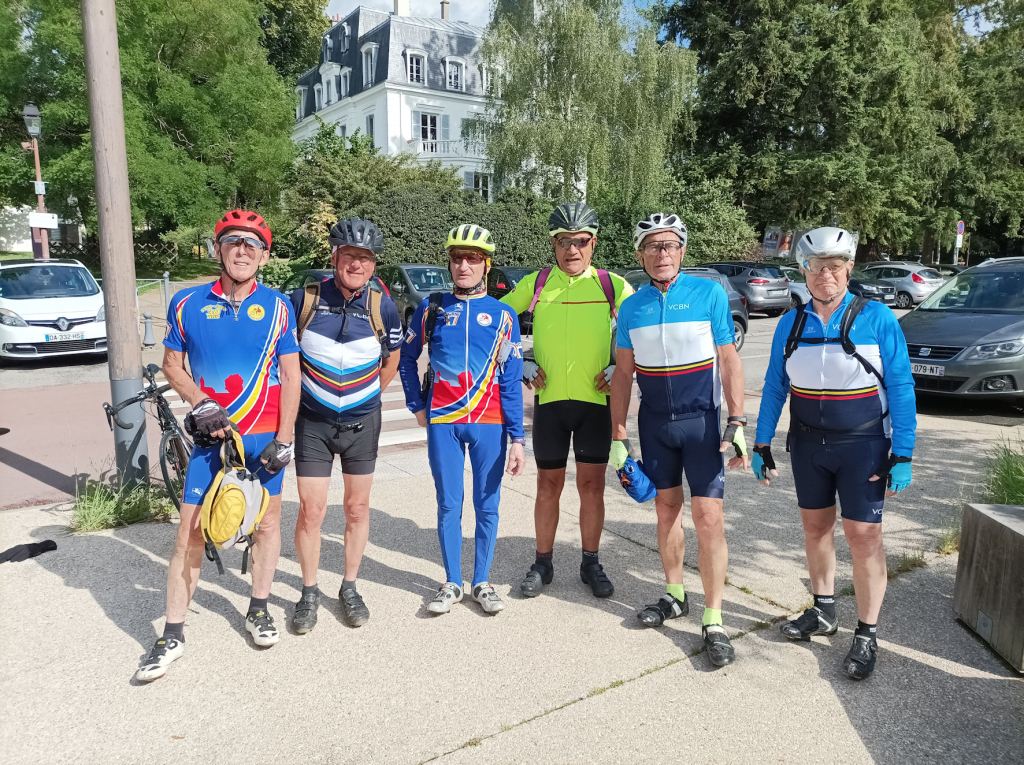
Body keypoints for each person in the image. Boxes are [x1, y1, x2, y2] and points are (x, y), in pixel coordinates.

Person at [137, 209, 301, 682]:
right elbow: (171, 364)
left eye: (252, 244)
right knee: (189, 534)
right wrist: (198, 400)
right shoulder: (187, 303)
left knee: (266, 526)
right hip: (213, 438)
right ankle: (172, 633)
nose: (242, 251)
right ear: (218, 249)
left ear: (264, 256)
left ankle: (259, 608)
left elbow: (291, 375)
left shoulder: (278, 307)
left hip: (263, 437)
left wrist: (285, 440)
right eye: (233, 242)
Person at [752, 226, 917, 681]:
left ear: (849, 269)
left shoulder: (876, 317)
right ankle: (824, 610)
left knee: (863, 536)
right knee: (816, 529)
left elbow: (901, 385)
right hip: (808, 444)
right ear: (803, 271)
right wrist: (762, 443)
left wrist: (903, 451)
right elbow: (775, 386)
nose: (826, 274)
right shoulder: (791, 323)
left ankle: (867, 632)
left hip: (863, 445)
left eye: (835, 266)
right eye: (816, 266)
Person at [609, 213, 748, 668]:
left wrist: (737, 420)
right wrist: (618, 435)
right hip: (655, 425)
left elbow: (728, 359)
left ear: (682, 250)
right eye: (652, 246)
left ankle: (714, 618)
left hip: (702, 423)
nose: (661, 253)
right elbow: (623, 374)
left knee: (709, 517)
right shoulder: (632, 307)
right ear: (640, 255)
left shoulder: (708, 293)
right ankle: (674, 595)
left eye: (669, 245)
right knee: (666, 510)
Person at [500, 202, 632, 599]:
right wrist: (520, 362)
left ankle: (591, 562)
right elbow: (493, 320)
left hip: (595, 404)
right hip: (551, 403)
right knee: (548, 485)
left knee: (592, 487)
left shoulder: (612, 285)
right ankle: (542, 562)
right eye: (562, 242)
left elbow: (643, 331)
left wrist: (620, 367)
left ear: (593, 244)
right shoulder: (538, 283)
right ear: (553, 245)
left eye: (580, 241)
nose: (571, 250)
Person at [399, 224, 526, 614]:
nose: (464, 266)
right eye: (457, 258)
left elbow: (511, 380)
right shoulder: (432, 308)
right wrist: (417, 405)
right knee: (449, 504)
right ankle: (452, 582)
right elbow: (406, 359)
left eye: (472, 258)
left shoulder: (504, 315)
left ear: (486, 264)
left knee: (487, 504)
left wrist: (517, 438)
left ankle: (482, 582)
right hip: (444, 422)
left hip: (490, 422)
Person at [288, 218, 403, 633]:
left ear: (374, 265)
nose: (357, 264)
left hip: (361, 423)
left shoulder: (382, 306)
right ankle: (308, 591)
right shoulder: (304, 300)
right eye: (350, 255)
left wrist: (366, 395)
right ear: (335, 256)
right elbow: (284, 360)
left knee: (357, 508)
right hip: (313, 423)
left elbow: (392, 359)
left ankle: (349, 587)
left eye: (365, 258)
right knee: (311, 511)